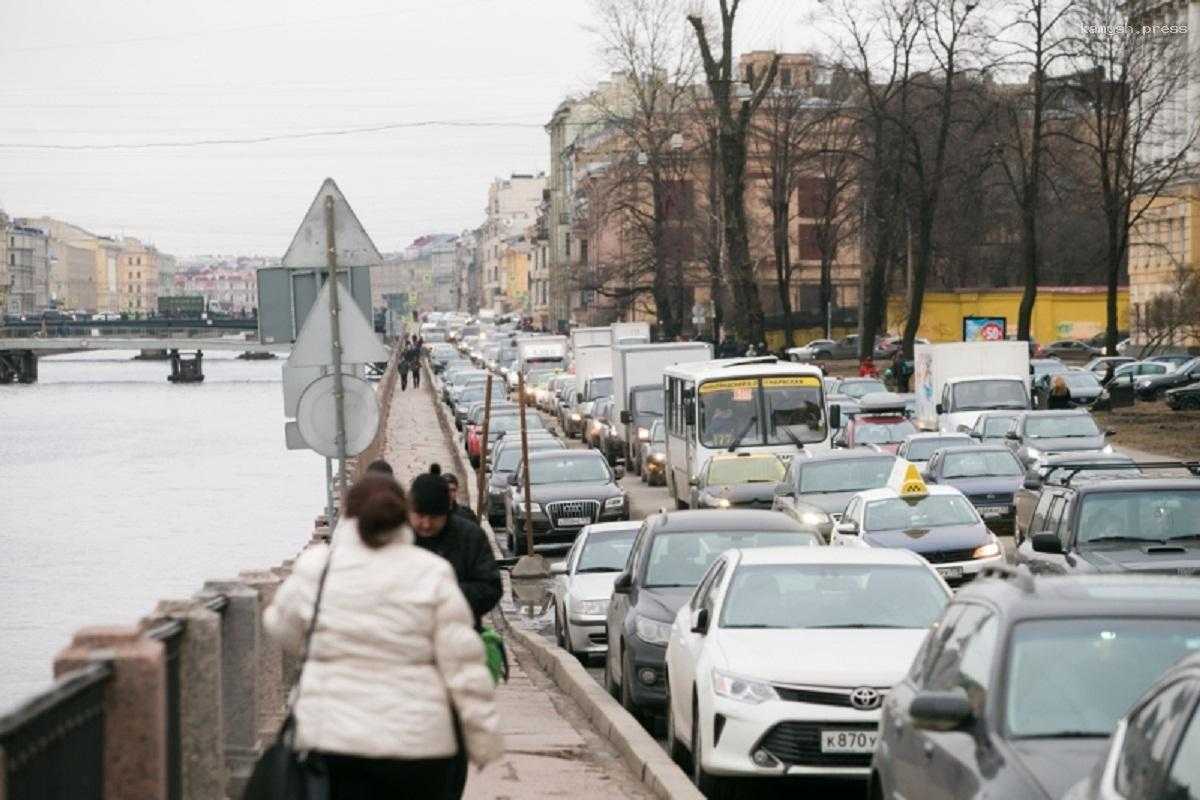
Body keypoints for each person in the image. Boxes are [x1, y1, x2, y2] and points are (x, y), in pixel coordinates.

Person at [263, 475, 502, 799]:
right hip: (418, 745)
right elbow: (462, 664)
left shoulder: (318, 568)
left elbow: (280, 627)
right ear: (403, 515)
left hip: (333, 737)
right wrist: (482, 737)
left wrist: (326, 648)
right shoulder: (432, 573)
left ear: (348, 516)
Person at [408, 471, 501, 631]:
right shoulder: (398, 538)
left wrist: (445, 594)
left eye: (434, 517)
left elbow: (490, 588)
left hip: (460, 634)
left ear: (446, 513)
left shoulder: (470, 537)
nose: (426, 524)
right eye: (420, 516)